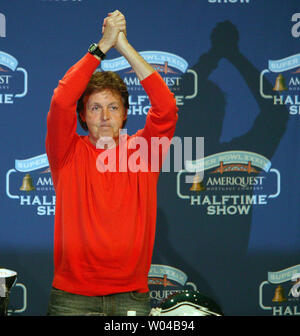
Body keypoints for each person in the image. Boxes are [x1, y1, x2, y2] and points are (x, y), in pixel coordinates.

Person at [46, 10, 178, 316]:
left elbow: (166, 109)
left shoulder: (145, 151)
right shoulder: (65, 151)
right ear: (82, 115)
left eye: (113, 107)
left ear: (125, 114)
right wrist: (102, 46)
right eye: (95, 107)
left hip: (130, 298)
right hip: (71, 299)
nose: (105, 117)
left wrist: (125, 47)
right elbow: (61, 100)